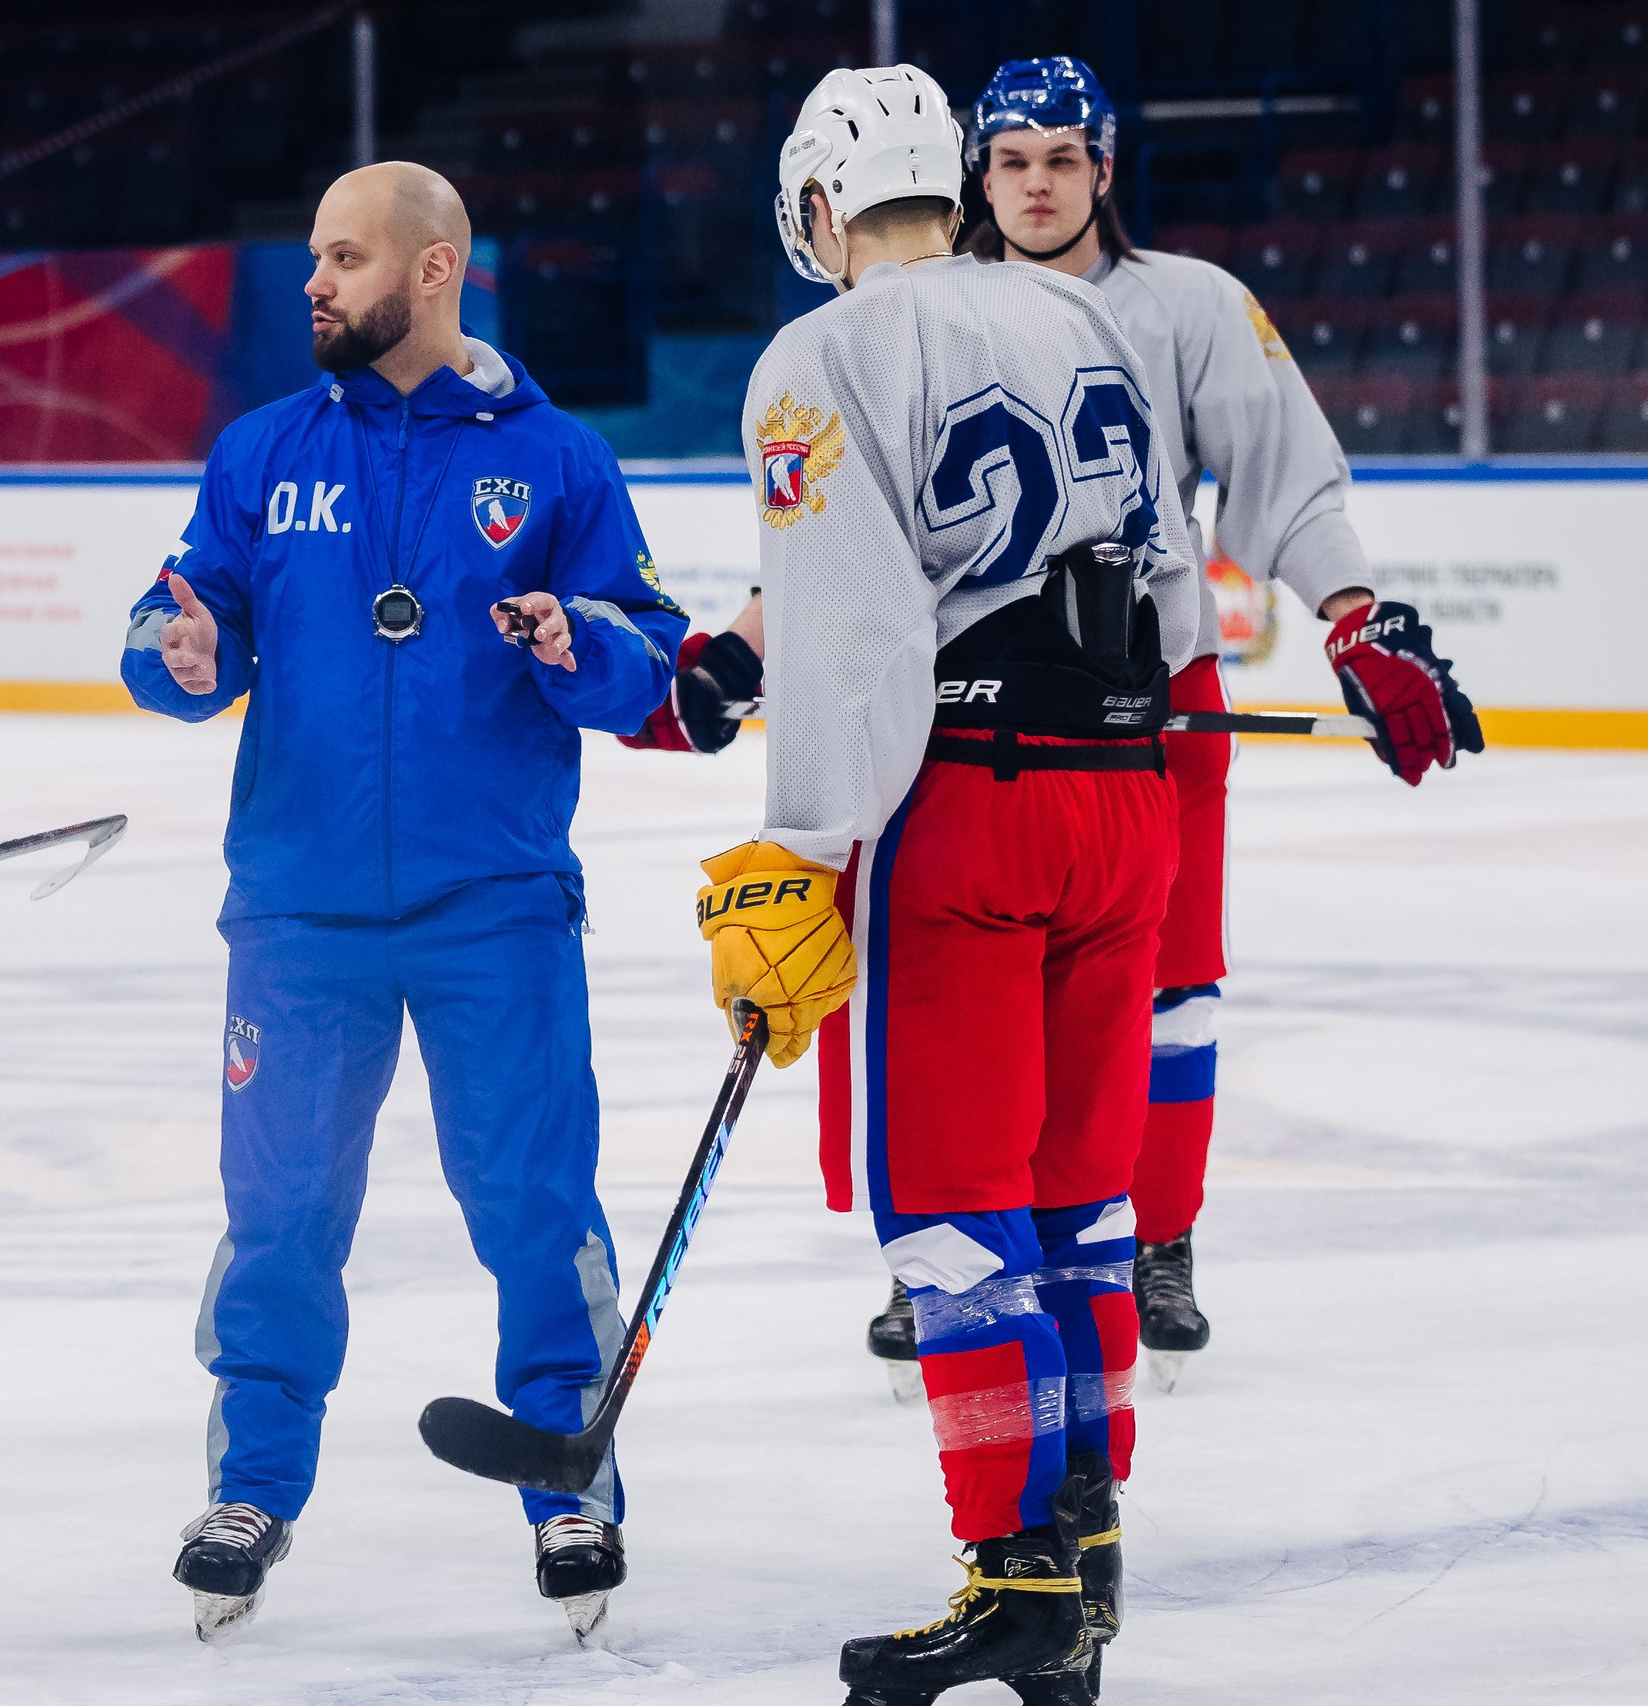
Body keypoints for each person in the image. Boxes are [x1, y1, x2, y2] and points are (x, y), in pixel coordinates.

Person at [646, 57, 1487, 1398]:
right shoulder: (1029, 319)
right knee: (1064, 1062)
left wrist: (800, 835)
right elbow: (1003, 543)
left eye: (1060, 158)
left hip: (1022, 755)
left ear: (1105, 167)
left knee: (1134, 1018)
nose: (1035, 182)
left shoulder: (1156, 308)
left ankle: (1108, 1274)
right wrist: (751, 645)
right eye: (1010, 159)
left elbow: (865, 583)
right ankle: (1069, 1403)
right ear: (966, 174)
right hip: (1104, 745)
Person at [120, 160, 685, 1645]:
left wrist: (583, 642)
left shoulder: (556, 460)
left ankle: (570, 1475)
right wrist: (173, 655)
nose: (313, 280)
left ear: (433, 272)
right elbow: (179, 616)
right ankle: (252, 1482)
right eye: (313, 253)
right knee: (283, 1213)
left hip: (493, 904)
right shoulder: (257, 452)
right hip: (297, 915)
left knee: (530, 1202)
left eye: (345, 256)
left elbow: (653, 652)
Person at [697, 64, 1199, 1702]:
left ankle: (1017, 1573)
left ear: (824, 205)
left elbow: (851, 635)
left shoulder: (816, 353)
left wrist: (800, 851)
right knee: (1083, 1206)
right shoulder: (1087, 320)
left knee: (952, 1217)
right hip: (1125, 810)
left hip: (968, 825)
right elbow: (1176, 603)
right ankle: (1090, 1539)